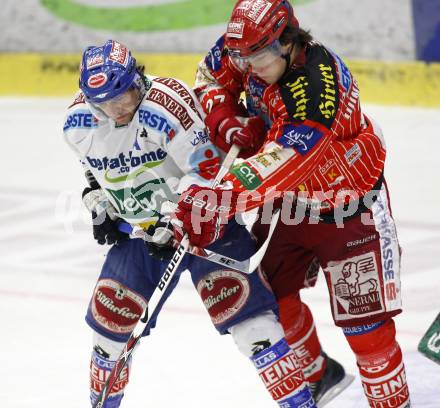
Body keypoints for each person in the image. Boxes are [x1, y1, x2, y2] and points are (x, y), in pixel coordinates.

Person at [63, 39, 329, 408]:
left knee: (256, 330)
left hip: (207, 229)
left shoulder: (169, 106)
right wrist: (95, 200)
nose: (118, 109)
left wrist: (177, 220)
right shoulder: (77, 124)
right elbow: (93, 169)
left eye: (124, 96)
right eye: (105, 104)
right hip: (140, 238)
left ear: (136, 78)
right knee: (108, 337)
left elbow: (207, 169)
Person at [173, 1, 411, 407]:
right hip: (288, 205)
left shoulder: (317, 87)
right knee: (273, 302)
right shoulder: (249, 47)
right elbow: (210, 75)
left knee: (367, 330)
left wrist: (220, 199)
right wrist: (226, 120)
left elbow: (284, 160)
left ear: (287, 41)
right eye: (241, 57)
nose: (249, 66)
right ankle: (319, 374)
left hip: (348, 209)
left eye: (260, 56)